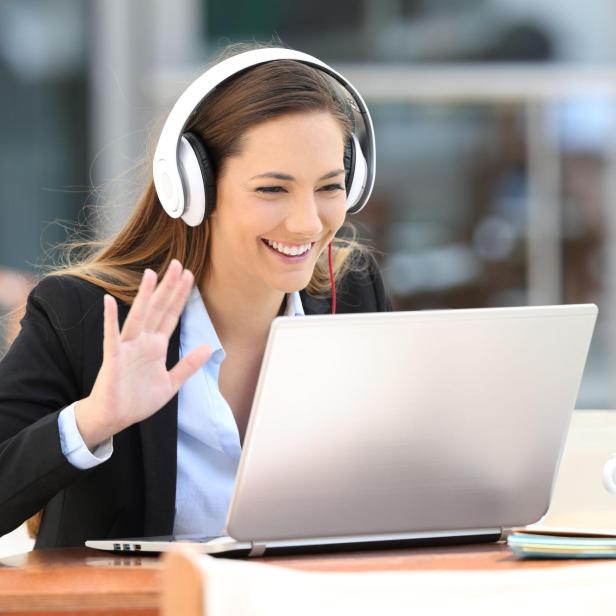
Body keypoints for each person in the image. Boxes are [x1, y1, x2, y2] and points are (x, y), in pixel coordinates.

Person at [0, 42, 392, 548]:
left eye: (329, 187)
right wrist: (95, 418)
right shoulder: (80, 314)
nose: (308, 223)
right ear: (193, 185)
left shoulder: (352, 295)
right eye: (272, 190)